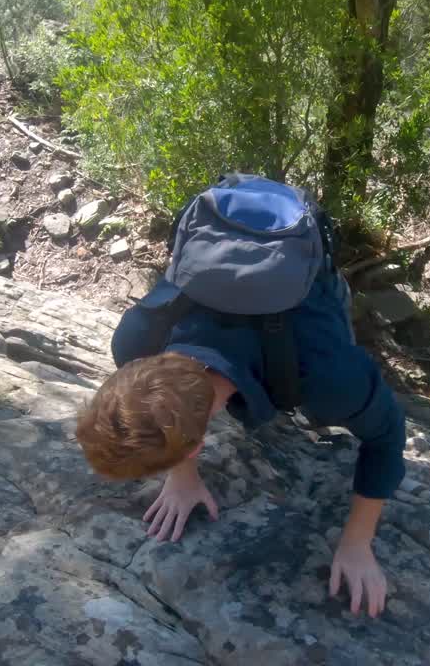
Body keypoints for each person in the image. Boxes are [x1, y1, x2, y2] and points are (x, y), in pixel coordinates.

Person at [75, 174, 406, 618]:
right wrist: (183, 477)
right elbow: (167, 406)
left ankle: (333, 285)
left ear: (196, 447)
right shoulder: (133, 341)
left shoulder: (325, 380)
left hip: (299, 256)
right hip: (227, 238)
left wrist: (357, 542)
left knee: (331, 316)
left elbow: (386, 435)